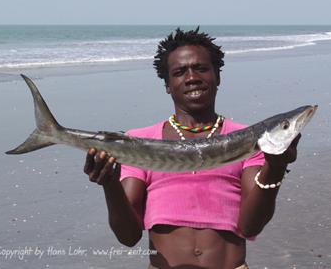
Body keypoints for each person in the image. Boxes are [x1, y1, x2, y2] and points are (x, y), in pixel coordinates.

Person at [83, 28, 301, 269]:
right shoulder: (142, 142)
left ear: (217, 76)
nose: (192, 77)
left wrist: (276, 167)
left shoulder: (247, 140)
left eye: (201, 68)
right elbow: (128, 236)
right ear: (167, 84)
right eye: (179, 72)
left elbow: (251, 225)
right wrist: (110, 184)